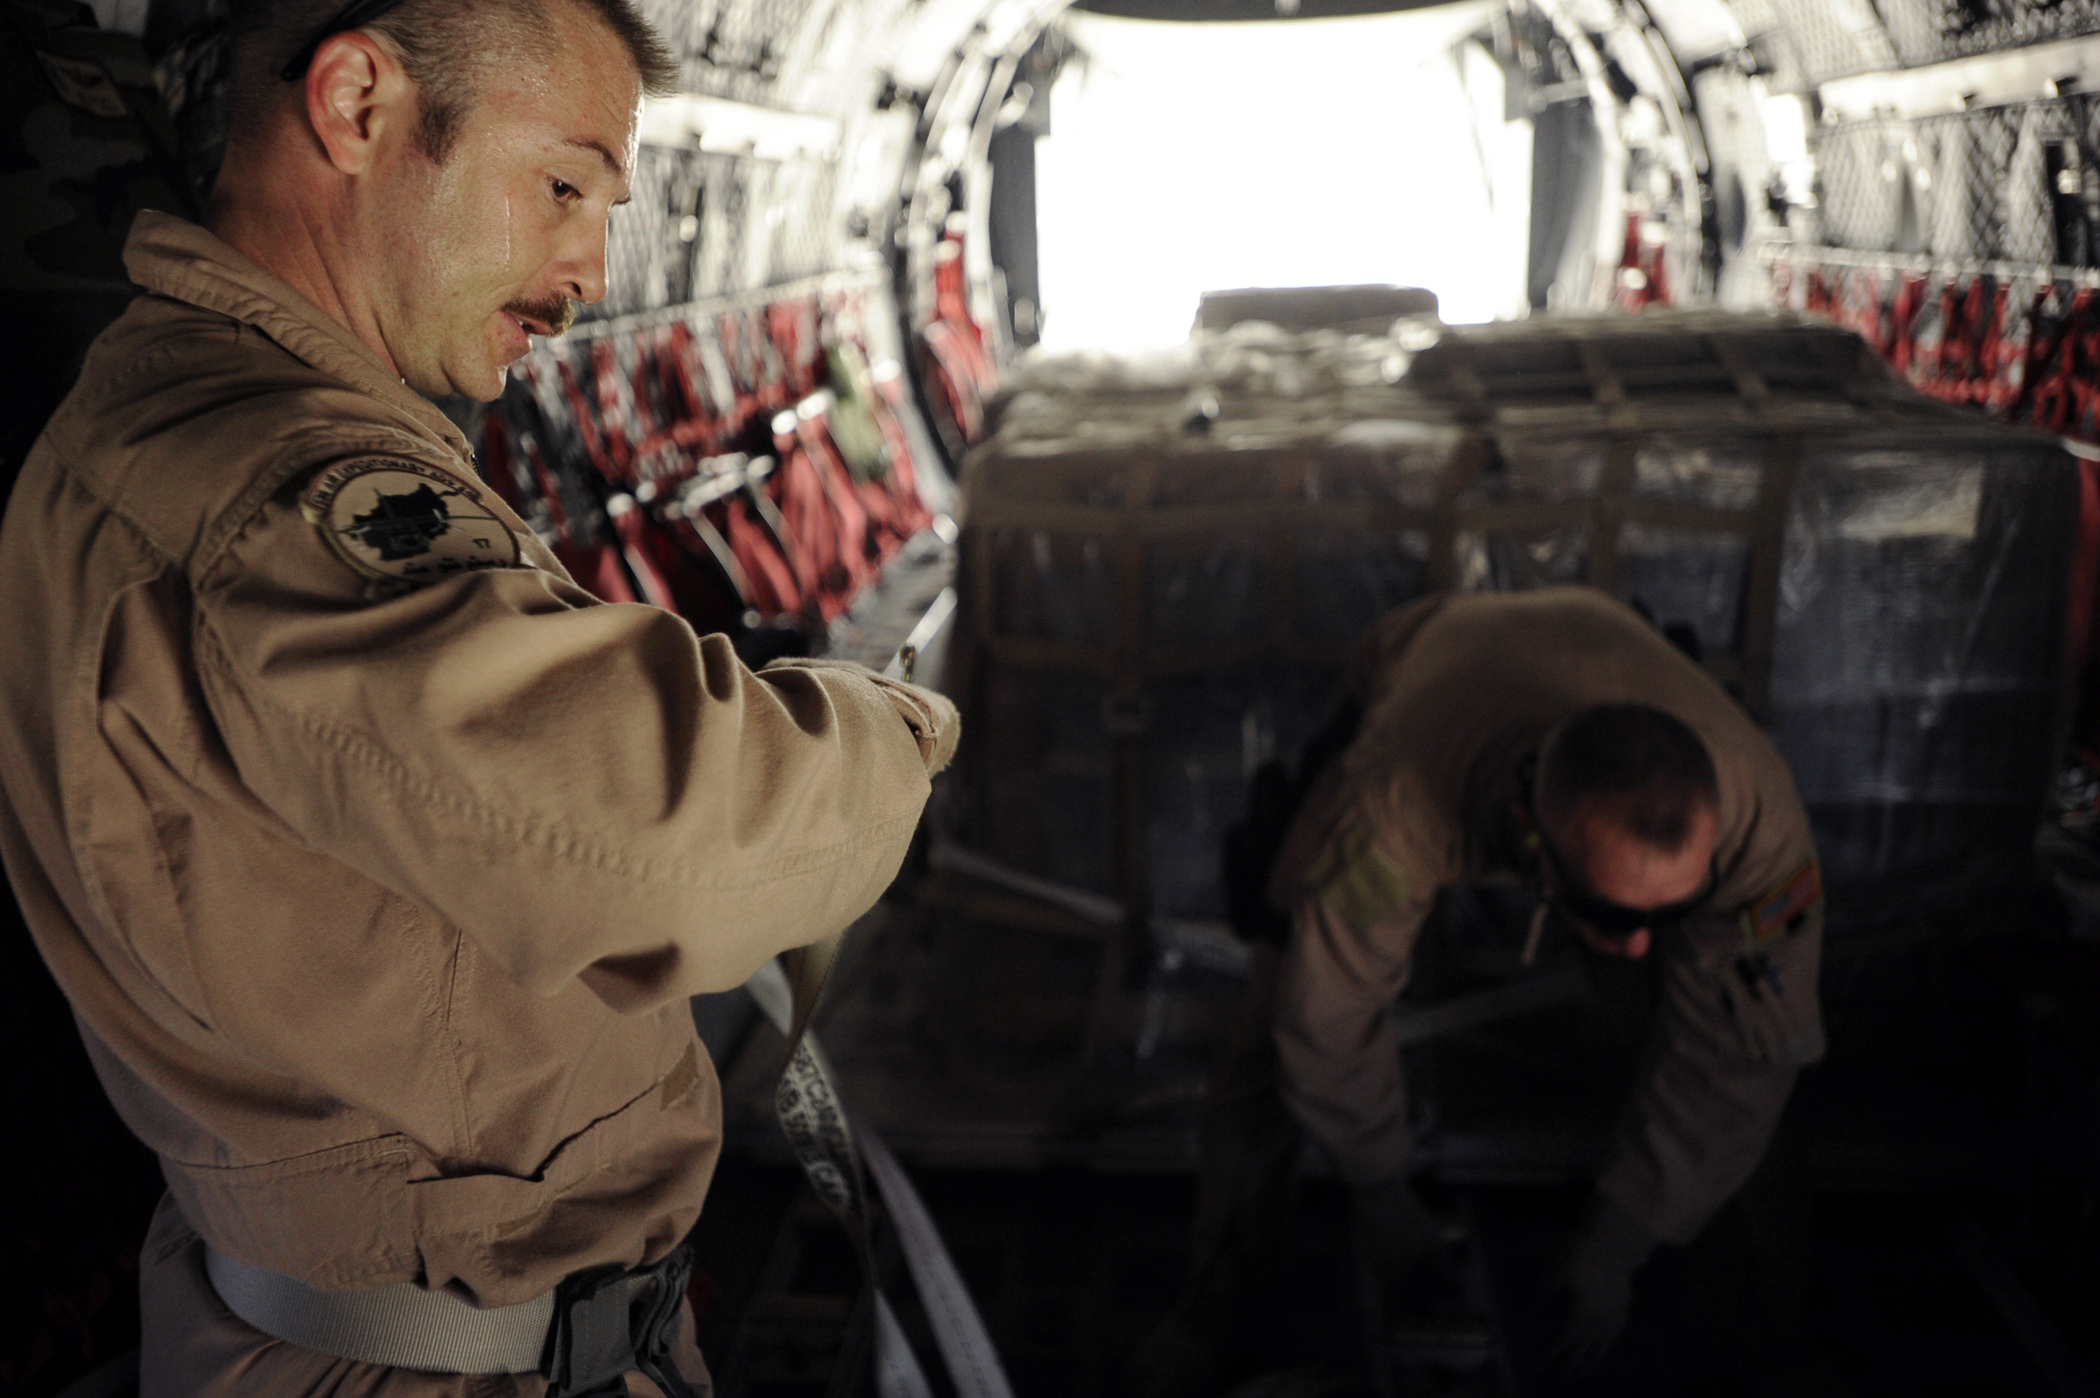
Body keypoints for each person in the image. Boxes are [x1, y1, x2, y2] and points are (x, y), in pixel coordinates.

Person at [0, 0, 958, 1393]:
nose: (590, 273)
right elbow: (683, 837)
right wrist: (900, 722)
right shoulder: (277, 496)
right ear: (357, 106)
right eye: (563, 185)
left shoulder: (176, 414)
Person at [1133, 586, 1824, 1394]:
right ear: (1533, 846)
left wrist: (1619, 1245)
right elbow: (1327, 1010)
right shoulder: (1398, 804)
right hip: (1434, 672)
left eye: (1666, 914)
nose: (1642, 943)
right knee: (1281, 1009)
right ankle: (1222, 1300)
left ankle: (1764, 1340)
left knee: (1753, 1055)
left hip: (1603, 654)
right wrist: (1385, 1199)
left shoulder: (1759, 827)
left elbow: (1740, 1060)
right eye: (1613, 915)